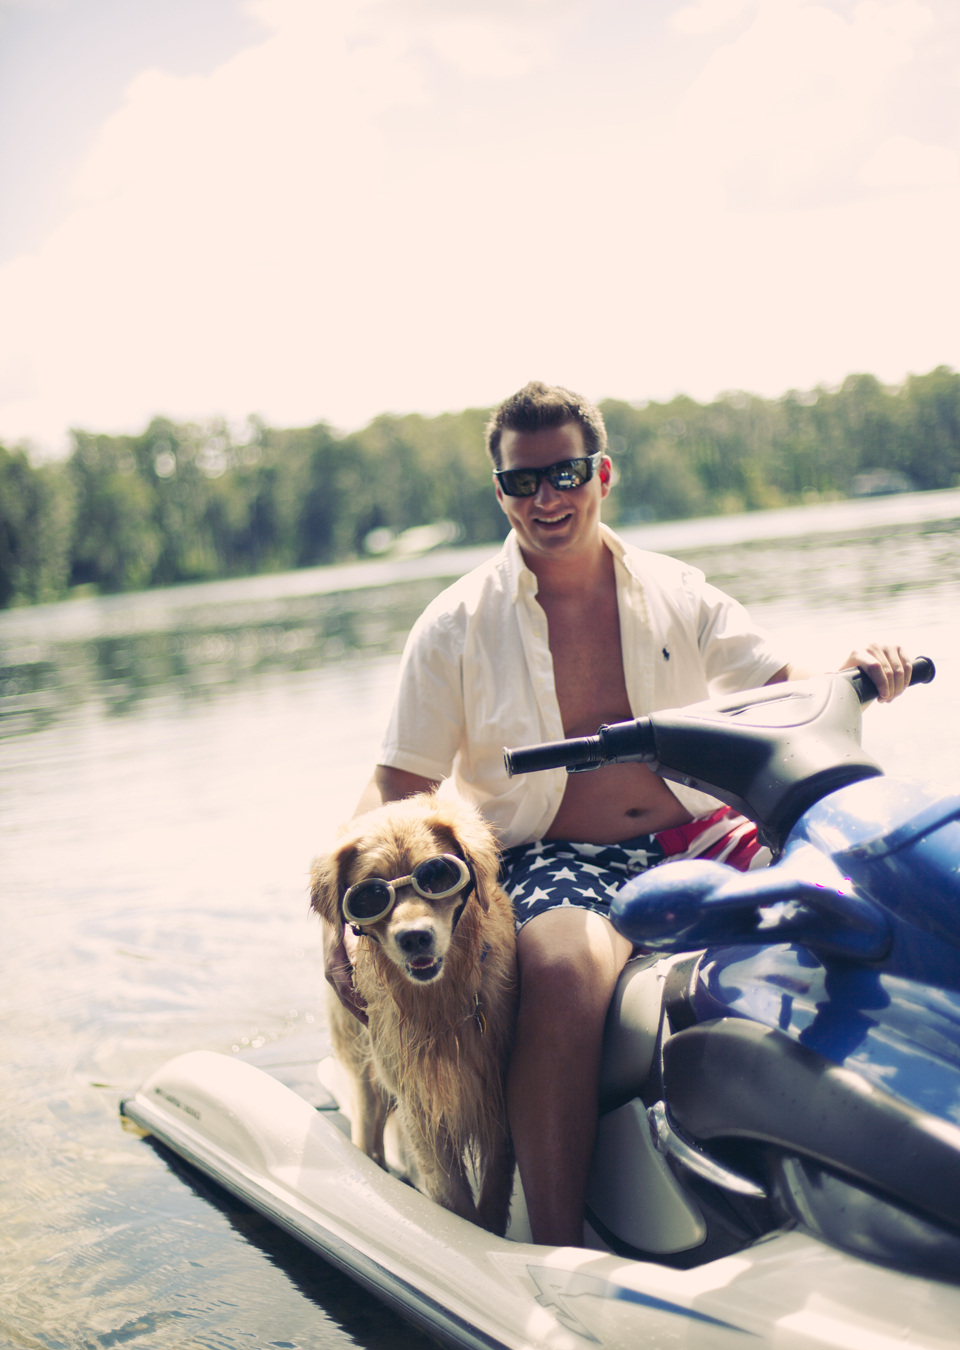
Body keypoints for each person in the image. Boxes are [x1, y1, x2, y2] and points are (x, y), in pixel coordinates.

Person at [324, 381, 912, 1247]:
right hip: (554, 853)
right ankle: (556, 1250)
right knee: (562, 967)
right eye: (522, 481)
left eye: (565, 473)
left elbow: (788, 688)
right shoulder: (453, 624)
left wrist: (859, 666)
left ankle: (893, 1155)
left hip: (699, 833)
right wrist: (340, 924)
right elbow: (396, 784)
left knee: (876, 891)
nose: (546, 498)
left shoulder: (680, 590)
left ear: (602, 474)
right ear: (500, 493)